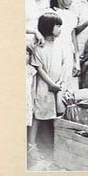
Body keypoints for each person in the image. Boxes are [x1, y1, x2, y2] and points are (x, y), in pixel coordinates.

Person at [28, 12, 65, 160]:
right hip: (44, 87)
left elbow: (62, 64)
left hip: (57, 85)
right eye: (58, 26)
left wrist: (59, 82)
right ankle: (31, 146)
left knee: (55, 114)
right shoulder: (40, 47)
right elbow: (39, 68)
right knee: (39, 115)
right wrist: (51, 83)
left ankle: (53, 145)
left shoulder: (59, 45)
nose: (60, 29)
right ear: (49, 27)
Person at [51, 0, 80, 90]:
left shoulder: (72, 16)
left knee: (69, 88)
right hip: (55, 52)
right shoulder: (51, 14)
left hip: (68, 53)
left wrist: (77, 61)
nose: (71, 0)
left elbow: (74, 40)